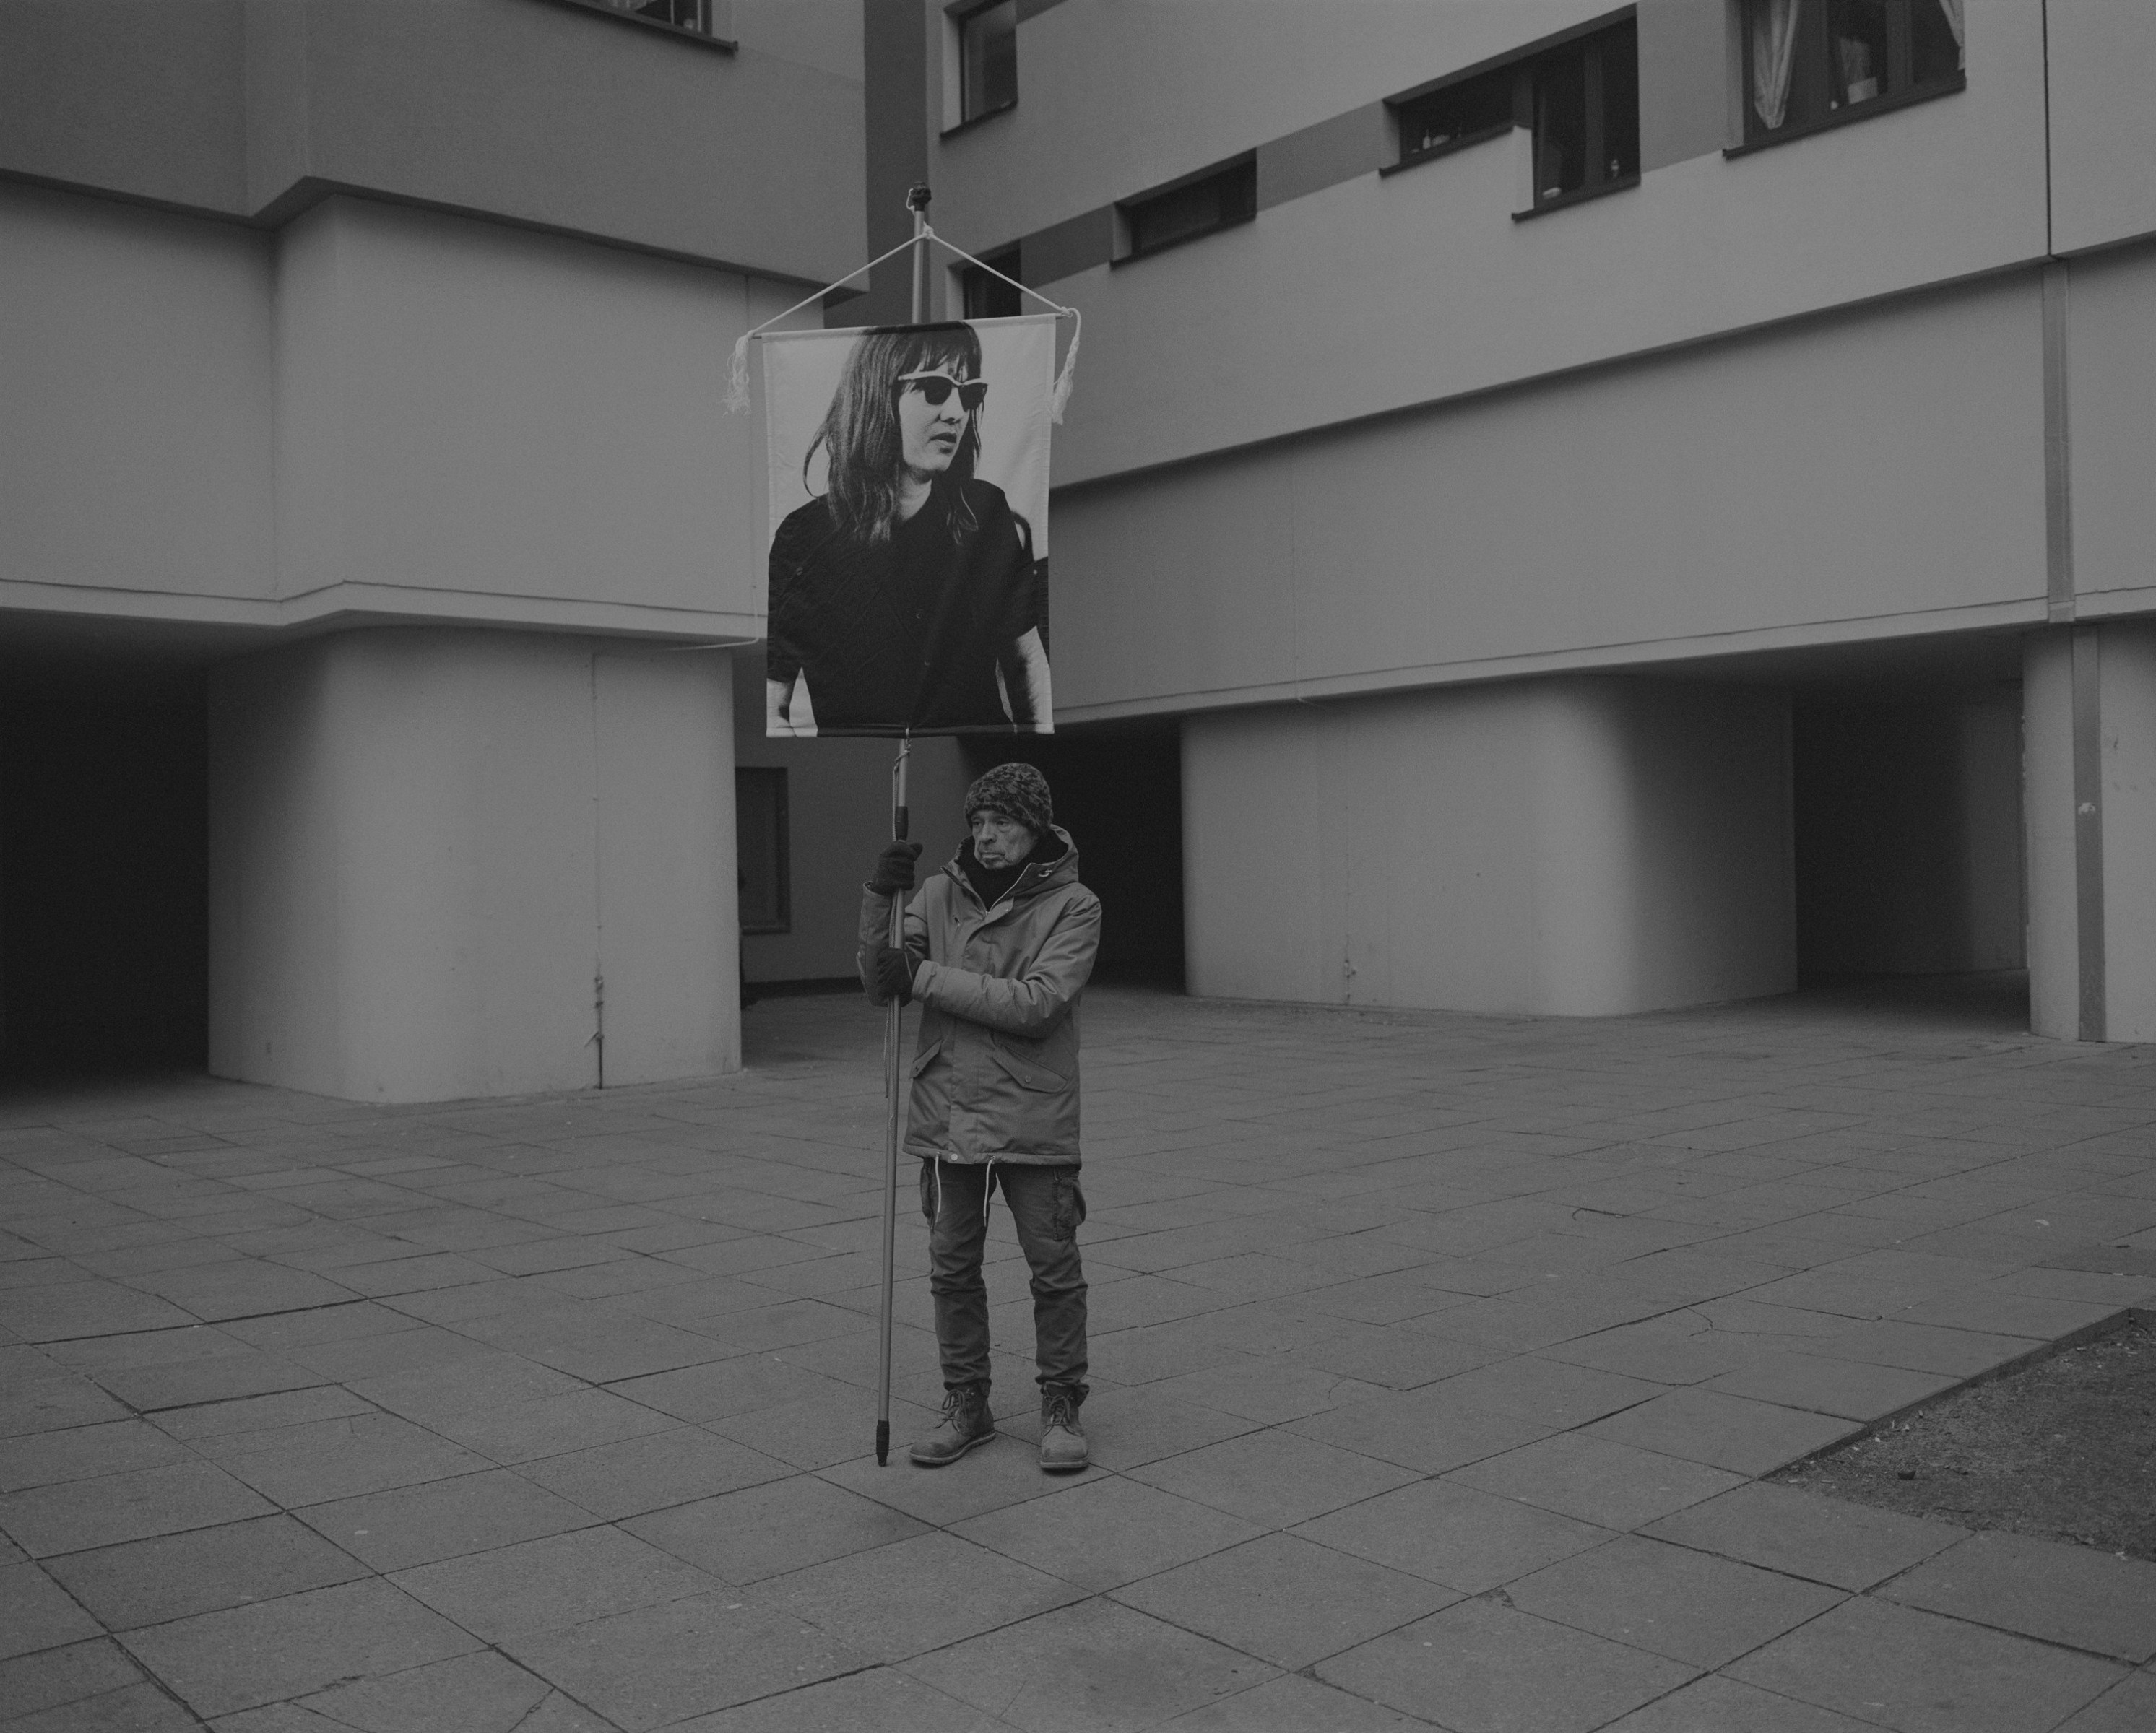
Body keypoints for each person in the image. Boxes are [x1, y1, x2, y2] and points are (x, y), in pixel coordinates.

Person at [859, 762, 1100, 1471]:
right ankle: (967, 1401)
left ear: (1036, 826)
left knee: (1054, 1267)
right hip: (950, 1111)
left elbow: (1037, 1003)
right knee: (952, 1267)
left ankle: (1062, 1403)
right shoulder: (935, 895)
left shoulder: (1075, 905)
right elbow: (882, 981)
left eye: (1002, 823)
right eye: (978, 823)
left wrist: (926, 975)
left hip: (1033, 1113)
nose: (986, 836)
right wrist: (879, 896)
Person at [769, 323, 1051, 737]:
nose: (956, 412)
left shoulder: (986, 513)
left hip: (972, 768)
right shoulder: (805, 536)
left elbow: (1027, 664)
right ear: (878, 397)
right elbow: (775, 704)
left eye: (969, 393)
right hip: (863, 769)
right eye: (935, 389)